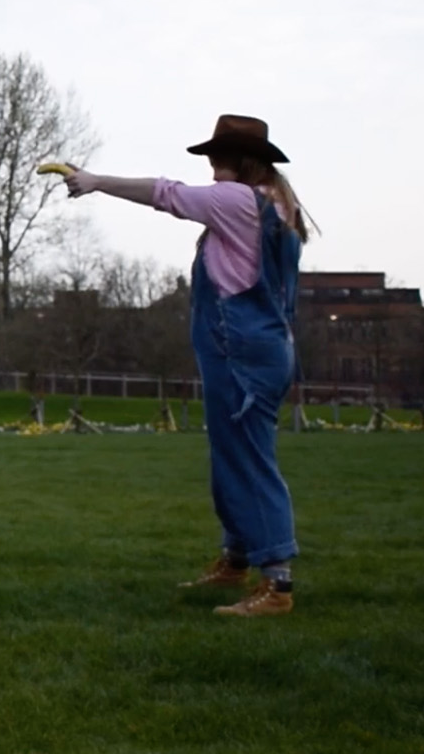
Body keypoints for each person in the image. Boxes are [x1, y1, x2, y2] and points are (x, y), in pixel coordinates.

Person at [64, 115, 311, 617]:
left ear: (240, 162)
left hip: (242, 351)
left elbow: (165, 193)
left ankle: (277, 585)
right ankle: (236, 560)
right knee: (232, 457)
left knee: (249, 461)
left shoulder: (239, 200)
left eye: (218, 160)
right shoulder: (276, 205)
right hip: (257, 349)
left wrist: (93, 182)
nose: (212, 170)